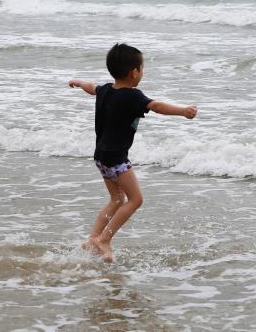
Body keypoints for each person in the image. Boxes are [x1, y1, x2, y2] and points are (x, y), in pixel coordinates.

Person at [68, 43, 197, 263]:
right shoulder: (133, 96)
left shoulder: (106, 89)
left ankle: (92, 239)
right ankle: (105, 240)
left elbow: (92, 87)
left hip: (100, 156)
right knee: (135, 199)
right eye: (142, 68)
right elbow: (156, 106)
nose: (142, 73)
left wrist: (79, 83)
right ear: (134, 72)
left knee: (116, 199)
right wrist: (183, 111)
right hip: (117, 158)